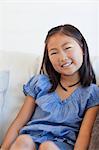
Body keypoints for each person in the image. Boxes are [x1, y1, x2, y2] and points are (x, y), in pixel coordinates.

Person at [1, 24, 99, 150]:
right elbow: (18, 123)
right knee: (23, 140)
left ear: (83, 49)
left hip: (61, 145)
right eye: (54, 52)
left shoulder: (92, 93)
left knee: (47, 147)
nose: (62, 57)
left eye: (67, 48)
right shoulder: (40, 83)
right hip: (30, 140)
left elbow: (84, 136)